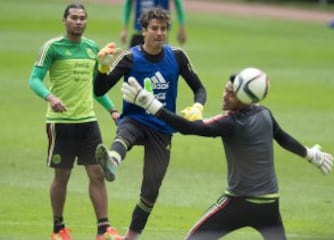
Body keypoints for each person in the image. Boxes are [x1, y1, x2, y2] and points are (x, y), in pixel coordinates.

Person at [120, 70, 334, 240]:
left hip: (238, 203)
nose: (225, 95)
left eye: (231, 93)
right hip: (269, 205)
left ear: (243, 97)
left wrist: (151, 104)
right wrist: (310, 155)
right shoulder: (264, 114)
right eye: (225, 89)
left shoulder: (231, 122)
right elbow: (283, 138)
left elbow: (189, 129)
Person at [94, 7, 206, 239]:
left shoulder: (177, 56)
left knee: (151, 191)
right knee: (124, 134)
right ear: (143, 31)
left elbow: (199, 88)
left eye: (163, 29)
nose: (160, 33)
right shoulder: (129, 58)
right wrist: (103, 68)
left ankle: (130, 237)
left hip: (163, 127)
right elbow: (99, 89)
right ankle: (111, 162)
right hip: (135, 119)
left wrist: (198, 106)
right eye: (154, 28)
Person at [28, 3, 124, 240]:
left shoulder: (92, 48)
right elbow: (34, 79)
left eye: (82, 18)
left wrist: (112, 110)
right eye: (74, 17)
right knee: (63, 175)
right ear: (64, 21)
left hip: (88, 121)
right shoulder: (52, 48)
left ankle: (104, 229)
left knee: (97, 174)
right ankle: (58, 228)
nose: (78, 21)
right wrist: (50, 97)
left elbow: (96, 88)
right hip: (60, 123)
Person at [120, 0, 186, 47]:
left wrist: (182, 28)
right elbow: (128, 3)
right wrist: (124, 28)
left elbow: (178, 4)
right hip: (140, 34)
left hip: (160, 35)